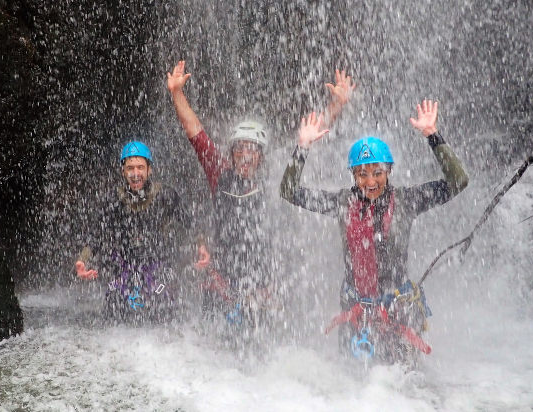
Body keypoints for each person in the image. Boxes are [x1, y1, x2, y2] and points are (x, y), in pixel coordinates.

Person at [280, 77, 469, 359]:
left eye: (377, 173)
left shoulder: (406, 201)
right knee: (352, 378)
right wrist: (303, 147)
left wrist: (433, 135)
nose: (370, 182)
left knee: (401, 379)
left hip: (398, 310)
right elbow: (288, 191)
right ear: (353, 175)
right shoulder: (342, 203)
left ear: (389, 171)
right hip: (355, 311)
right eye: (362, 174)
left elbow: (458, 181)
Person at [166, 60, 275, 322]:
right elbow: (196, 134)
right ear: (232, 153)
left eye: (252, 149)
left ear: (261, 156)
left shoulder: (272, 185)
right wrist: (177, 93)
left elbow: (304, 147)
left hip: (257, 284)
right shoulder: (220, 173)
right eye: (240, 148)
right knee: (213, 340)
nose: (245, 155)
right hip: (220, 280)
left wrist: (335, 107)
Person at [75, 141, 193, 321]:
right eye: (130, 168)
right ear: (123, 171)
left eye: (140, 168)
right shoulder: (113, 199)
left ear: (149, 170)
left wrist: (201, 247)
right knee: (114, 305)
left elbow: (190, 224)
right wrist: (82, 260)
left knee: (163, 305)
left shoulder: (165, 195)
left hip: (158, 263)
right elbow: (96, 233)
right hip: (125, 264)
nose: (135, 174)